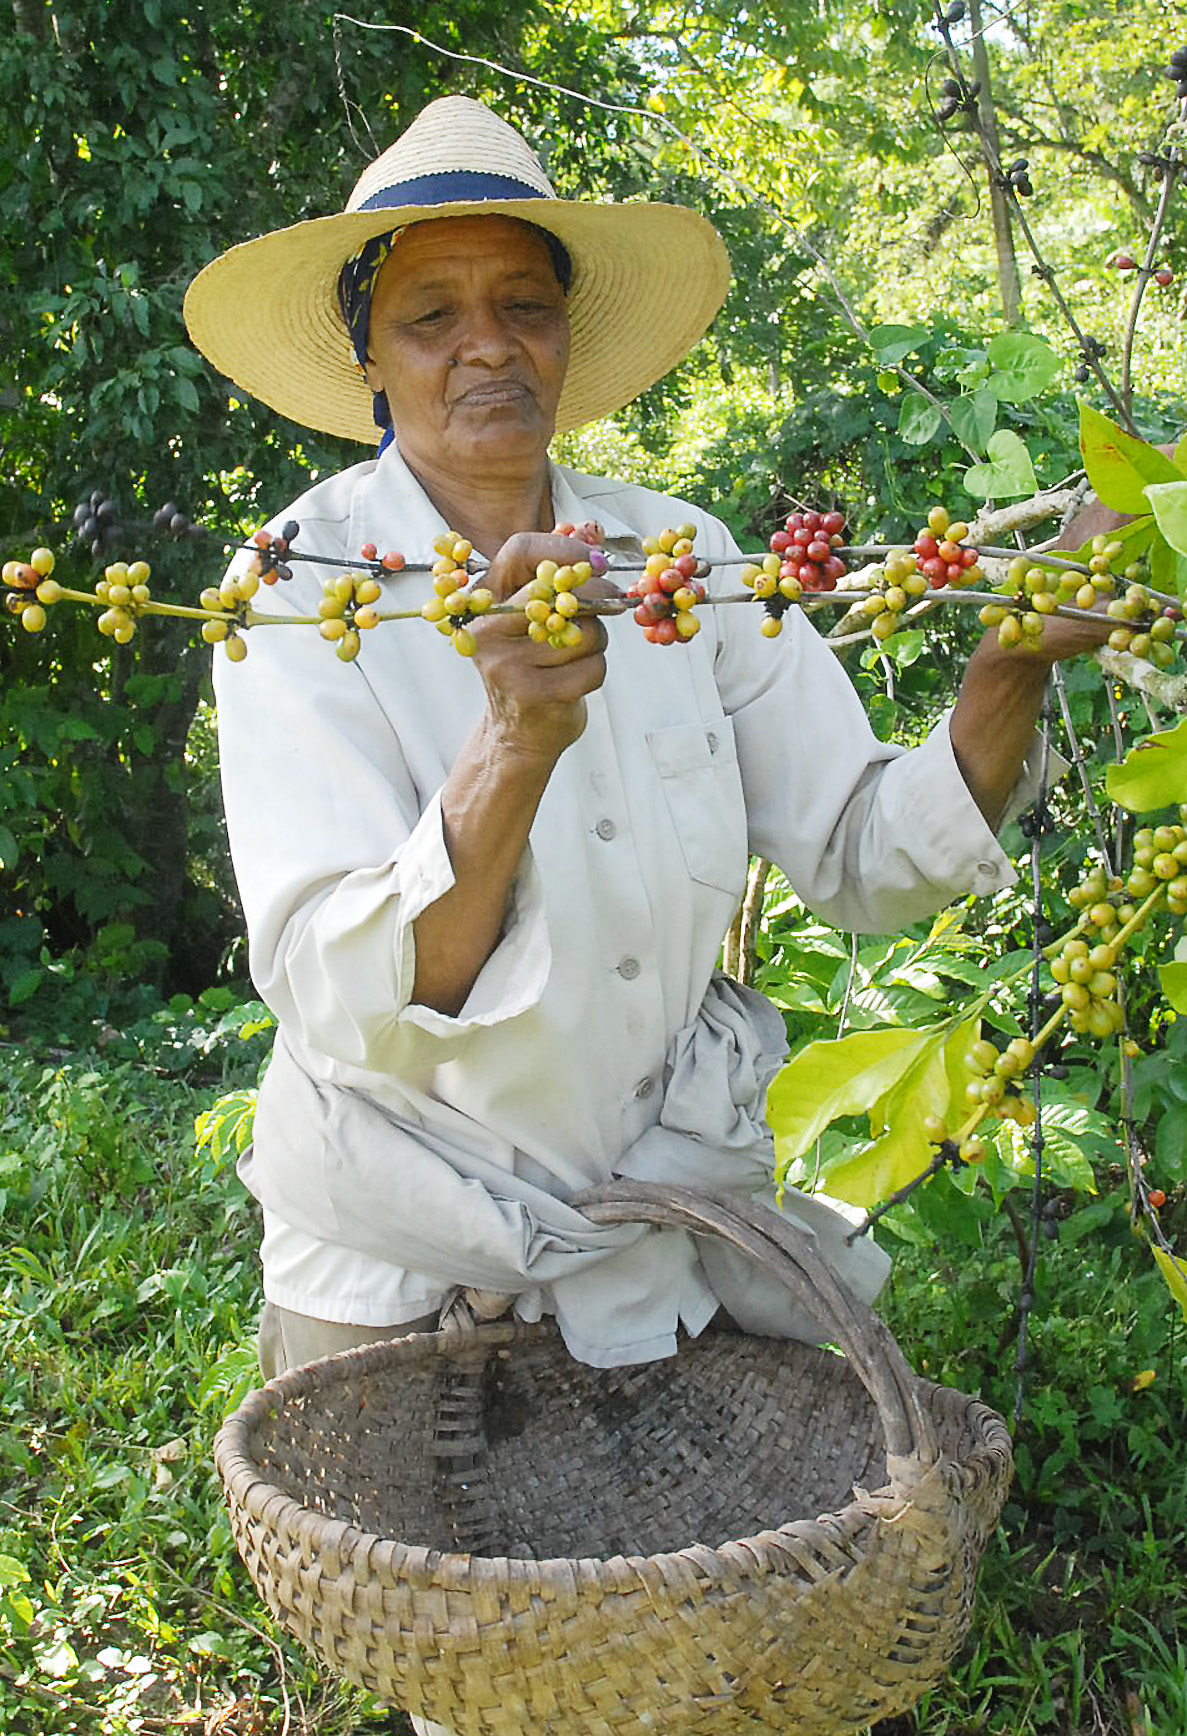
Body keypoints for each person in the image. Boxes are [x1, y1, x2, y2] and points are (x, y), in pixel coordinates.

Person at [185, 96, 1100, 1385]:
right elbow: (359, 1001)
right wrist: (517, 743)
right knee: (421, 1597)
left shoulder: (683, 562)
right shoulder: (297, 587)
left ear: (567, 341)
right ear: (368, 363)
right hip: (410, 1272)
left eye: (526, 306)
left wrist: (1005, 666)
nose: (487, 348)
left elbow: (864, 856)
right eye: (430, 316)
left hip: (667, 1239)